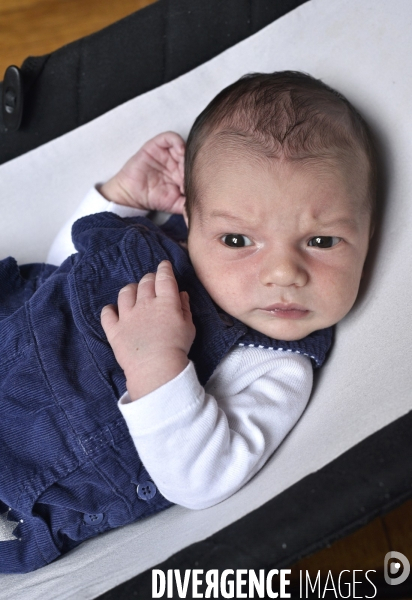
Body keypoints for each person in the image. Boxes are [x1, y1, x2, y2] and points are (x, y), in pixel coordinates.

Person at [0, 72, 376, 573]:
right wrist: (121, 199)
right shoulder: (161, 244)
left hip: (26, 463)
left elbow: (201, 480)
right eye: (238, 241)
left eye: (322, 241)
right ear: (193, 221)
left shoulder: (274, 366)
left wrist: (157, 364)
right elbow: (61, 279)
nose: (284, 273)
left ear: (368, 235)